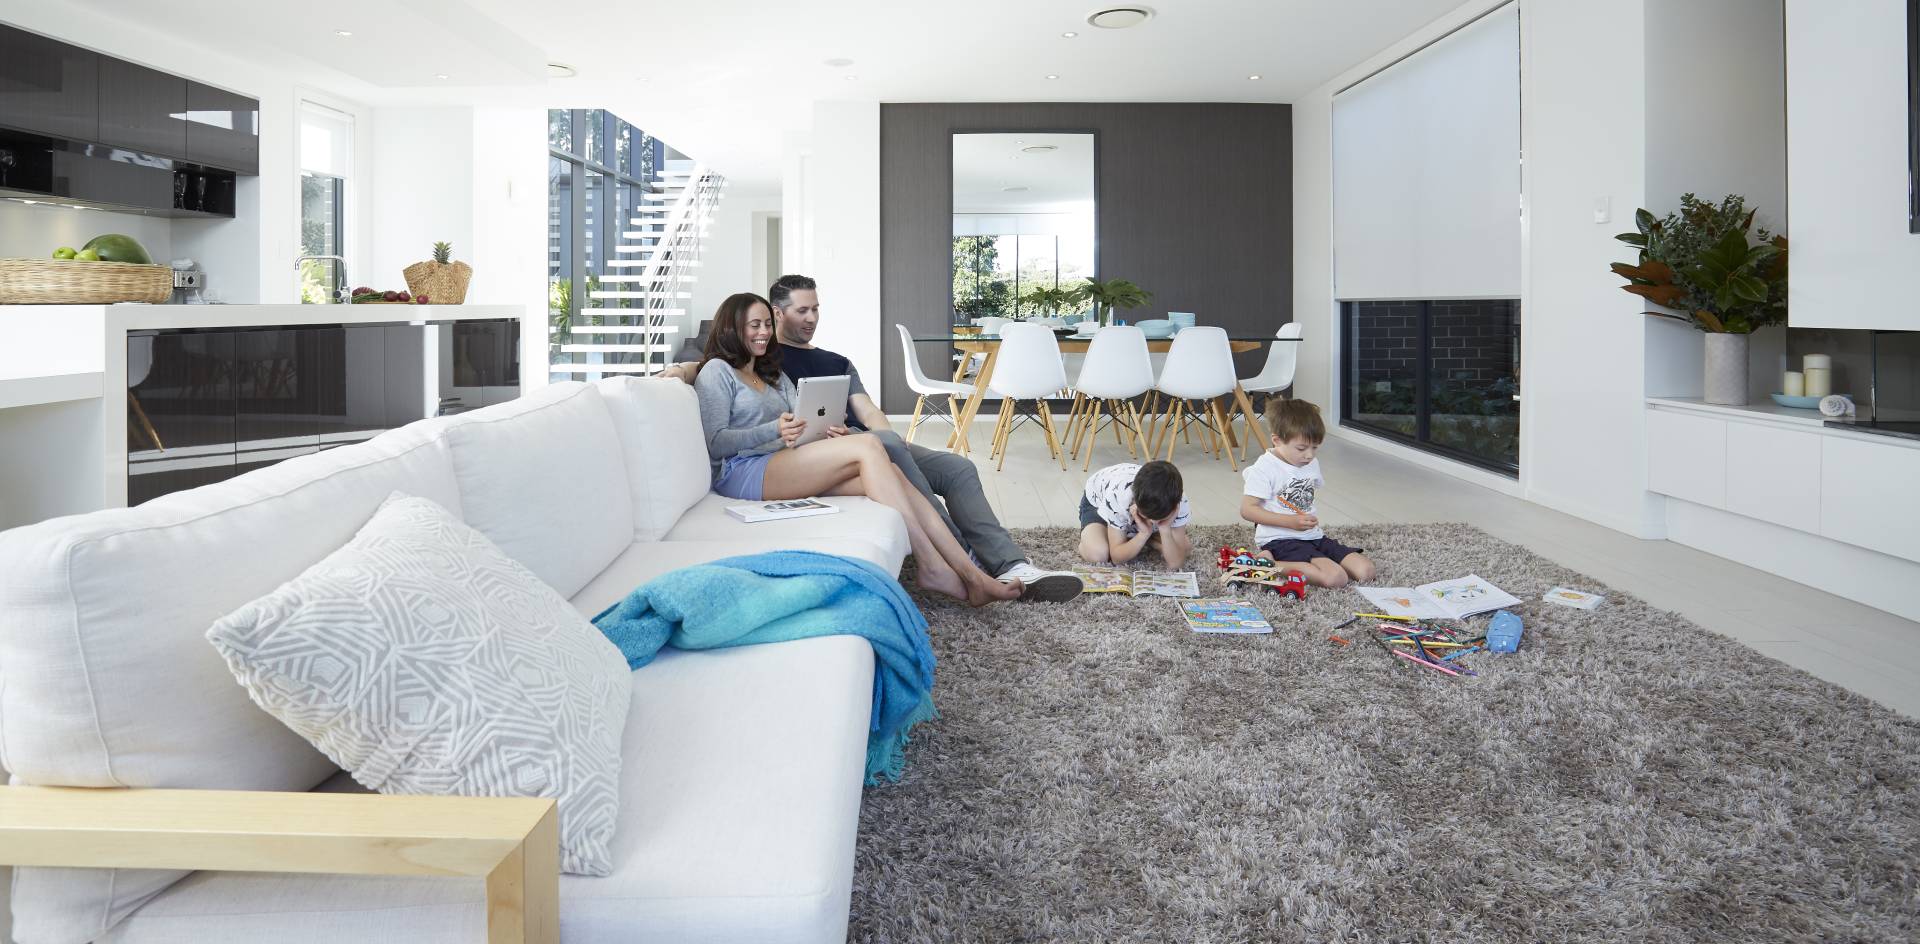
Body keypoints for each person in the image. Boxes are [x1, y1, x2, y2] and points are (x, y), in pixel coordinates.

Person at [707, 273, 1080, 603]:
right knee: (877, 446)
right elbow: (718, 375)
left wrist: (886, 435)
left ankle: (1010, 562)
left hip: (851, 441)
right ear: (777, 313)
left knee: (957, 467)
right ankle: (966, 561)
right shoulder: (757, 359)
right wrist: (680, 369)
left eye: (816, 309)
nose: (811, 318)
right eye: (802, 311)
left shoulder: (814, 364)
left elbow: (866, 409)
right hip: (814, 453)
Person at [1238, 398, 1377, 588]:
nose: (1309, 455)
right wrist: (1290, 522)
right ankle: (1264, 565)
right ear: (1277, 440)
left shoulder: (1310, 463)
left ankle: (1308, 561)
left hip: (1313, 536)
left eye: (1315, 448)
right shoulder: (1264, 468)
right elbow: (1247, 510)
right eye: (1302, 448)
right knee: (1336, 578)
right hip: (1280, 539)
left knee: (1366, 571)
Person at [1076, 460, 1193, 569]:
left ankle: (1135, 537)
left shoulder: (1179, 501)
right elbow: (1117, 559)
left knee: (1185, 548)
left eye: (1159, 519)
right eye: (1147, 517)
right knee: (1098, 554)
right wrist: (1143, 534)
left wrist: (1165, 529)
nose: (1153, 522)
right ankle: (1090, 537)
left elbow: (1176, 563)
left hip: (1138, 510)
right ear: (1135, 501)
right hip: (1097, 501)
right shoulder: (1119, 497)